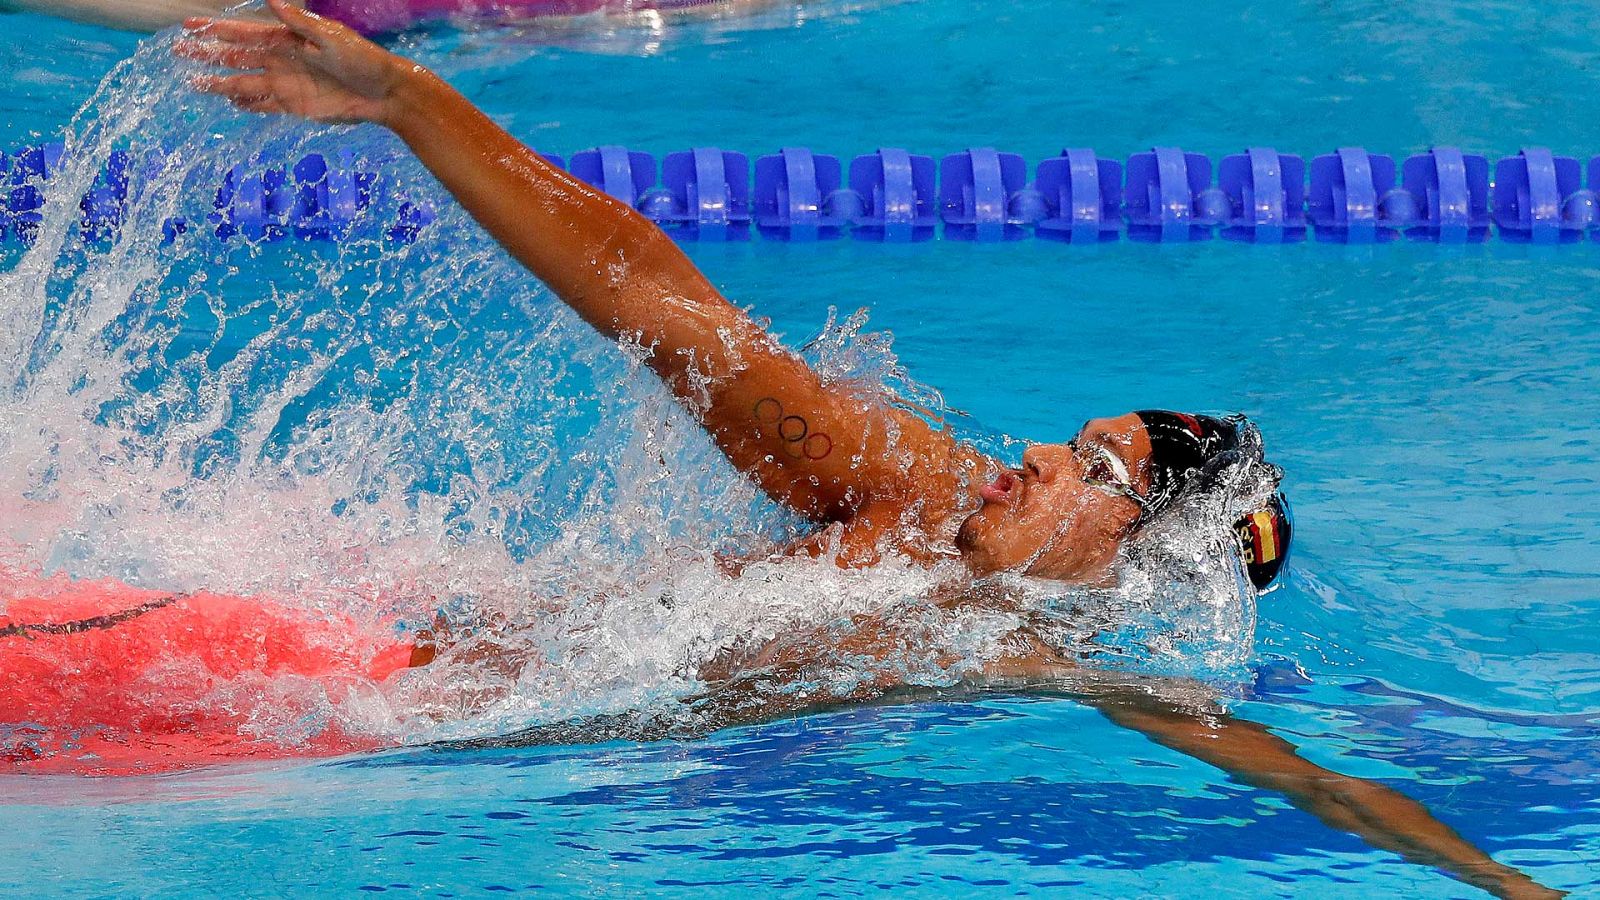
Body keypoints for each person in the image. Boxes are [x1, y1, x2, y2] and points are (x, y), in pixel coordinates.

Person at [156, 4, 1561, 896]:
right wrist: (411, 101)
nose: (1034, 457)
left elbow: (1298, 777)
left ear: (1138, 554)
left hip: (321, 735)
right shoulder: (901, 495)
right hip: (317, 693)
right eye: (1073, 440)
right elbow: (663, 302)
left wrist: (1515, 888)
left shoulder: (1038, 655)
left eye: (1091, 471)